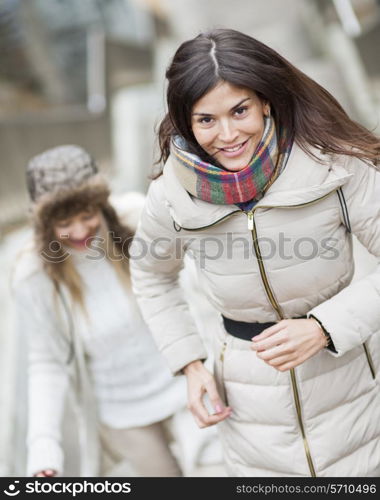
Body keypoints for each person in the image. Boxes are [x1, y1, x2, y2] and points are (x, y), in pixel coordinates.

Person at [129, 28, 380, 477]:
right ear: (186, 121)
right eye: (206, 120)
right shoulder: (170, 195)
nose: (227, 135)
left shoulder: (333, 166)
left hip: (356, 397)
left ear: (265, 100)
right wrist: (189, 364)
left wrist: (324, 327)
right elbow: (151, 274)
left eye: (240, 110)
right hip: (249, 415)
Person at [12, 145, 187, 477]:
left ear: (102, 205)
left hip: (186, 383)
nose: (79, 232)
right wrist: (43, 445)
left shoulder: (137, 219)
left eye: (87, 216)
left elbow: (192, 290)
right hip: (122, 412)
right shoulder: (34, 275)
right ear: (45, 225)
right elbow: (47, 362)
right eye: (65, 222)